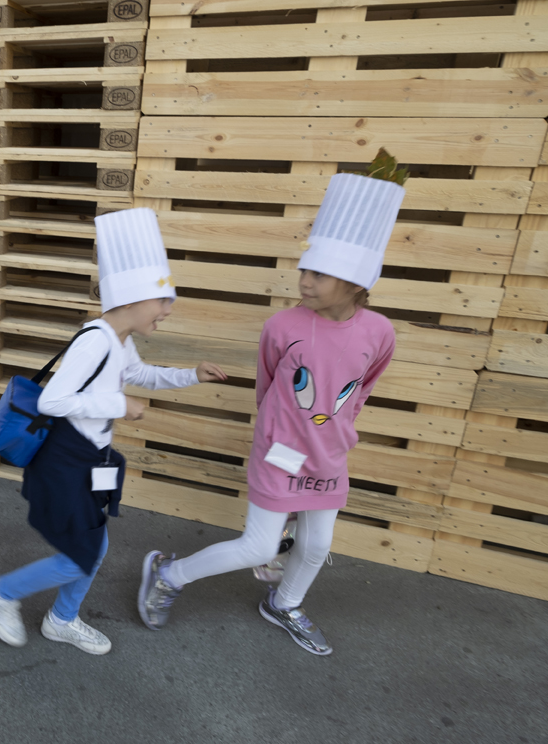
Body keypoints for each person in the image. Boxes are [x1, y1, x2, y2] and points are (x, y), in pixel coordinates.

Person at [137, 164, 403, 656]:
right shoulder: (283, 325)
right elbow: (267, 382)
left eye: (318, 274)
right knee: (259, 546)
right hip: (279, 450)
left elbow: (362, 387)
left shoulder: (379, 332)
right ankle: (168, 573)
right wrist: (283, 432)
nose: (304, 281)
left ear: (354, 282)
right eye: (305, 269)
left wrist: (333, 430)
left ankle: (284, 603)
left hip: (331, 455)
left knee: (317, 545)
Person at [0, 207, 228, 655]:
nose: (167, 311)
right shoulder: (96, 339)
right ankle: (0, 593)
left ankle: (62, 619)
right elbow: (53, 401)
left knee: (95, 545)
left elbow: (145, 376)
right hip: (65, 463)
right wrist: (118, 404)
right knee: (81, 555)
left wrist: (193, 374)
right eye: (163, 300)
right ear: (131, 297)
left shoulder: (121, 341)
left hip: (91, 460)